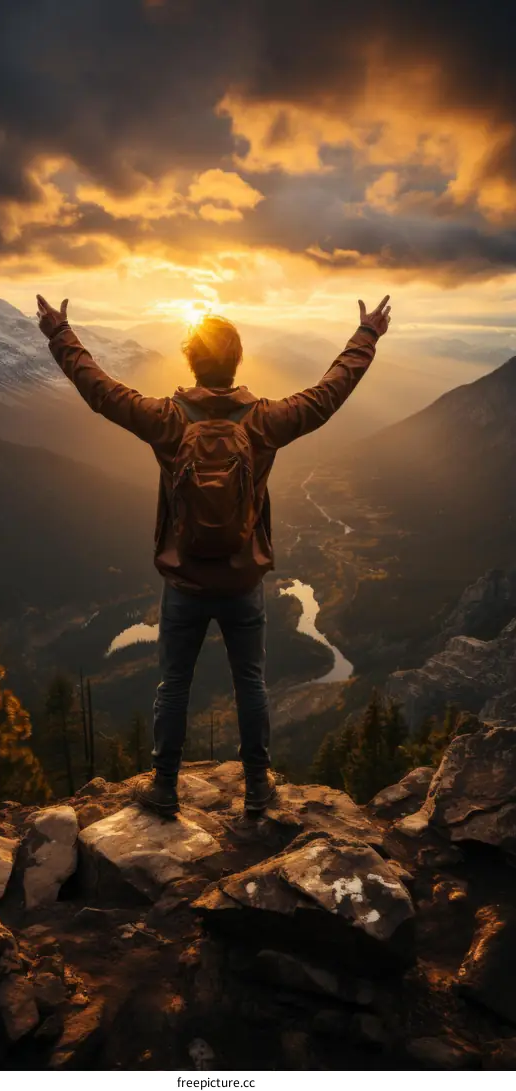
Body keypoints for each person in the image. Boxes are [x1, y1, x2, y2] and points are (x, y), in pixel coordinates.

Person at [36, 292, 391, 816]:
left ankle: (163, 785)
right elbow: (327, 394)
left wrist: (59, 333)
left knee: (174, 683)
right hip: (243, 582)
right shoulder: (265, 421)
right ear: (236, 362)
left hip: (184, 583)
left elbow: (101, 391)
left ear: (192, 362)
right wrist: (367, 335)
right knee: (250, 682)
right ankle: (257, 788)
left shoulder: (167, 419)